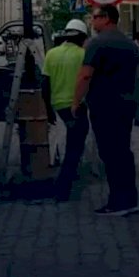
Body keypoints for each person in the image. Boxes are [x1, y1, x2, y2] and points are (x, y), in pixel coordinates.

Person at [71, 4, 139, 216]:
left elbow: (85, 75)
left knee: (110, 152)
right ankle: (130, 198)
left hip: (105, 105)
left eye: (95, 17)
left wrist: (76, 101)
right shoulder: (130, 45)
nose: (92, 22)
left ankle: (118, 202)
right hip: (127, 104)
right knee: (123, 151)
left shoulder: (97, 44)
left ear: (107, 18)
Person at [42, 19, 88, 202]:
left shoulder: (51, 54)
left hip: (58, 106)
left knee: (70, 145)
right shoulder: (83, 55)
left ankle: (66, 180)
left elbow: (44, 84)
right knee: (74, 148)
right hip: (77, 106)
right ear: (82, 37)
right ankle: (63, 188)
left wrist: (49, 110)